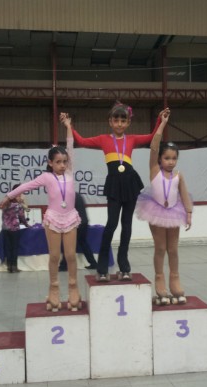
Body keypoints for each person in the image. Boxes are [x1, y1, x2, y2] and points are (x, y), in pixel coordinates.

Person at [69, 102, 167, 282]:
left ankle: (124, 266)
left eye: (123, 120)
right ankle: (102, 268)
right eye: (116, 120)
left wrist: (161, 120)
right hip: (114, 184)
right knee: (111, 225)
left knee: (127, 226)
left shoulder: (132, 139)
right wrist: (69, 126)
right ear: (110, 121)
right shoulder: (103, 139)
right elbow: (81, 141)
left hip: (130, 183)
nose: (119, 124)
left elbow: (152, 137)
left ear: (128, 122)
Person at [0, 113, 82, 312]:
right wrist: (8, 196)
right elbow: (25, 186)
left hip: (70, 218)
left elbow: (70, 146)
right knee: (54, 256)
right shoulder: (46, 177)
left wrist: (68, 126)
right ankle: (53, 289)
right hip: (53, 219)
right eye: (58, 162)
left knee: (71, 255)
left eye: (65, 161)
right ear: (50, 163)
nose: (62, 165)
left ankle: (73, 287)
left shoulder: (69, 173)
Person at [135, 109, 193, 305]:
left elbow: (184, 194)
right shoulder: (154, 171)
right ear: (160, 158)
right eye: (167, 158)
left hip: (174, 213)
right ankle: (160, 280)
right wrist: (162, 123)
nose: (170, 162)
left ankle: (175, 280)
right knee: (160, 248)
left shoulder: (178, 175)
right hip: (156, 212)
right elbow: (153, 147)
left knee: (173, 249)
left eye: (174, 158)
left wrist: (189, 212)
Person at [59, 193, 98, 271]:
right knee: (83, 243)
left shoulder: (68, 197)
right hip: (84, 221)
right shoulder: (78, 195)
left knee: (67, 244)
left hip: (76, 223)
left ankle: (64, 265)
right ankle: (93, 263)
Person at [0, 184, 29, 273]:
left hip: (5, 228)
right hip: (14, 228)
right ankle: (14, 266)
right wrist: (26, 224)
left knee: (8, 248)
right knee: (14, 248)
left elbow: (3, 216)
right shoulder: (18, 205)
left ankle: (9, 267)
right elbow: (21, 217)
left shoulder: (5, 204)